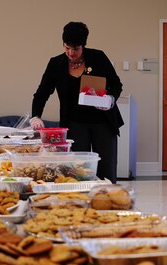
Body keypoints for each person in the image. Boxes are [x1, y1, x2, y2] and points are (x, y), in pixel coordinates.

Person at [30, 21, 124, 183]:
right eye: (67, 47)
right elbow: (42, 93)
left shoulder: (98, 57)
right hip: (75, 123)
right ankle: (80, 201)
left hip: (103, 121)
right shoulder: (56, 64)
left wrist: (110, 99)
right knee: (77, 169)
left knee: (106, 167)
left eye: (76, 48)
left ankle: (106, 199)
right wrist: (36, 115)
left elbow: (116, 84)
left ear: (83, 45)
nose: (71, 53)